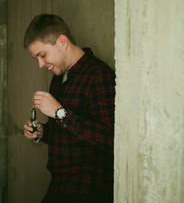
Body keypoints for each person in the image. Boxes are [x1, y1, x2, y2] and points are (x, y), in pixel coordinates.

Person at [23, 14, 115, 203]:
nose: (40, 64)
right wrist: (41, 132)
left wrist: (59, 112)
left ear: (62, 41)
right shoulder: (59, 77)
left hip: (89, 189)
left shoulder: (99, 75)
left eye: (42, 55)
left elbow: (111, 139)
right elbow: (66, 133)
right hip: (61, 184)